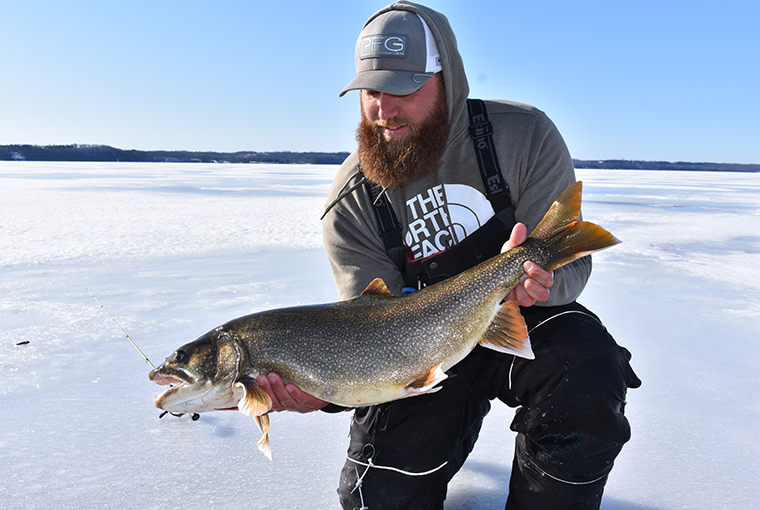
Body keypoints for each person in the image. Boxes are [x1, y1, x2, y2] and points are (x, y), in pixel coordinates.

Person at [257, 2, 641, 508]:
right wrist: (326, 390)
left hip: (524, 318)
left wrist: (539, 279)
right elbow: (369, 332)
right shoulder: (350, 202)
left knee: (586, 375)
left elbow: (573, 267)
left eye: (404, 89)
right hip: (418, 353)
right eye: (372, 91)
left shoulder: (523, 137)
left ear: (449, 79)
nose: (384, 110)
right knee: (378, 496)